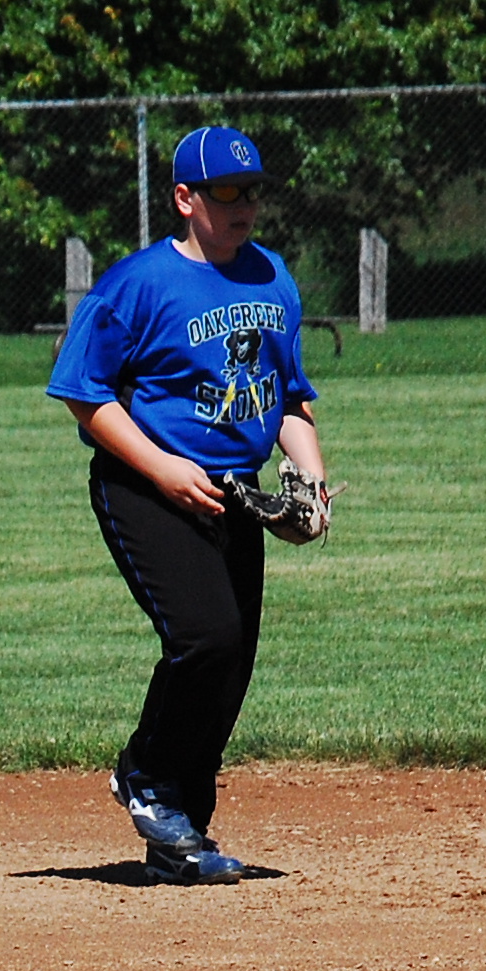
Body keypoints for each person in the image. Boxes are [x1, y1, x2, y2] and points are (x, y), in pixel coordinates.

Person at [46, 125, 327, 882]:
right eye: (225, 192)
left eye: (252, 191)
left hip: (235, 493)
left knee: (232, 664)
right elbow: (82, 394)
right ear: (184, 198)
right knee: (206, 637)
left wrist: (310, 483)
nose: (244, 206)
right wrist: (163, 469)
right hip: (146, 487)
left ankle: (180, 833)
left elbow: (289, 397)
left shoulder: (272, 278)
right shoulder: (138, 285)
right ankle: (145, 774)